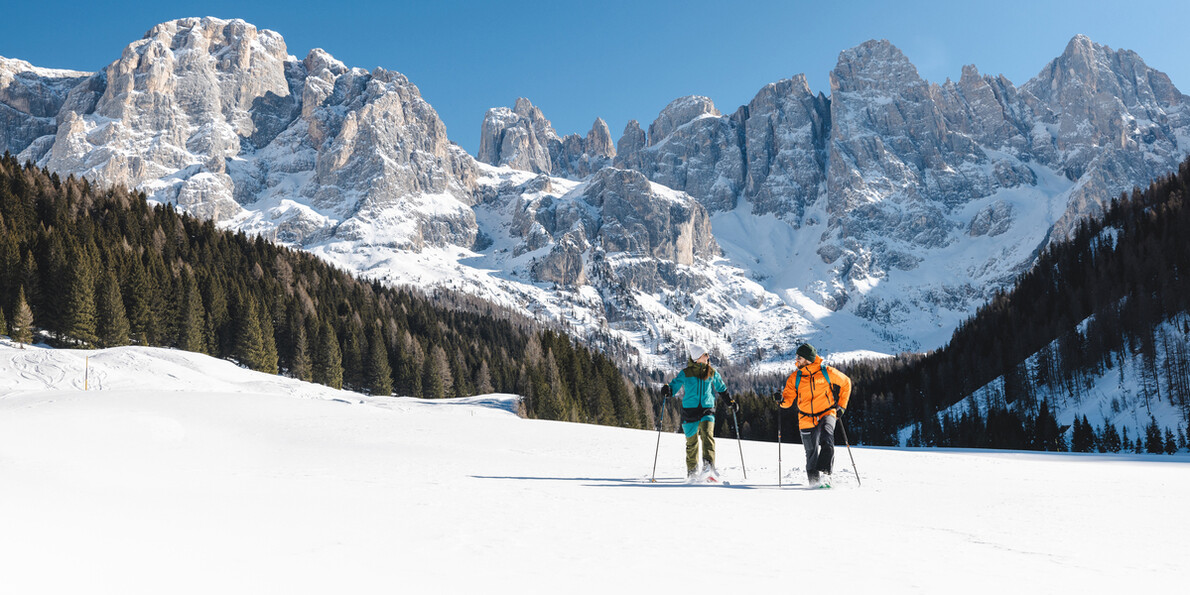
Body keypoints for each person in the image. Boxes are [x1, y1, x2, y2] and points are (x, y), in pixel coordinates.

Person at [778, 343, 851, 487]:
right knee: (811, 453)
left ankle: (826, 476)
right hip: (805, 417)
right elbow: (787, 400)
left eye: (799, 357)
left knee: (827, 439)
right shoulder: (795, 378)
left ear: (807, 359)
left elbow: (846, 383)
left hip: (827, 412)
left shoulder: (826, 372)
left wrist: (841, 406)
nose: (796, 360)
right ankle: (814, 484)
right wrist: (781, 401)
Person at [662, 343, 734, 481]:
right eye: (705, 354)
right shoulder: (686, 373)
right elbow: (674, 386)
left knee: (708, 435)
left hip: (707, 408)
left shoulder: (711, 372)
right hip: (689, 411)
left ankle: (709, 468)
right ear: (696, 358)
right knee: (692, 443)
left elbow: (721, 388)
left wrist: (730, 402)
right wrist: (667, 390)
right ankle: (692, 472)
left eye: (707, 354)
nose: (708, 356)